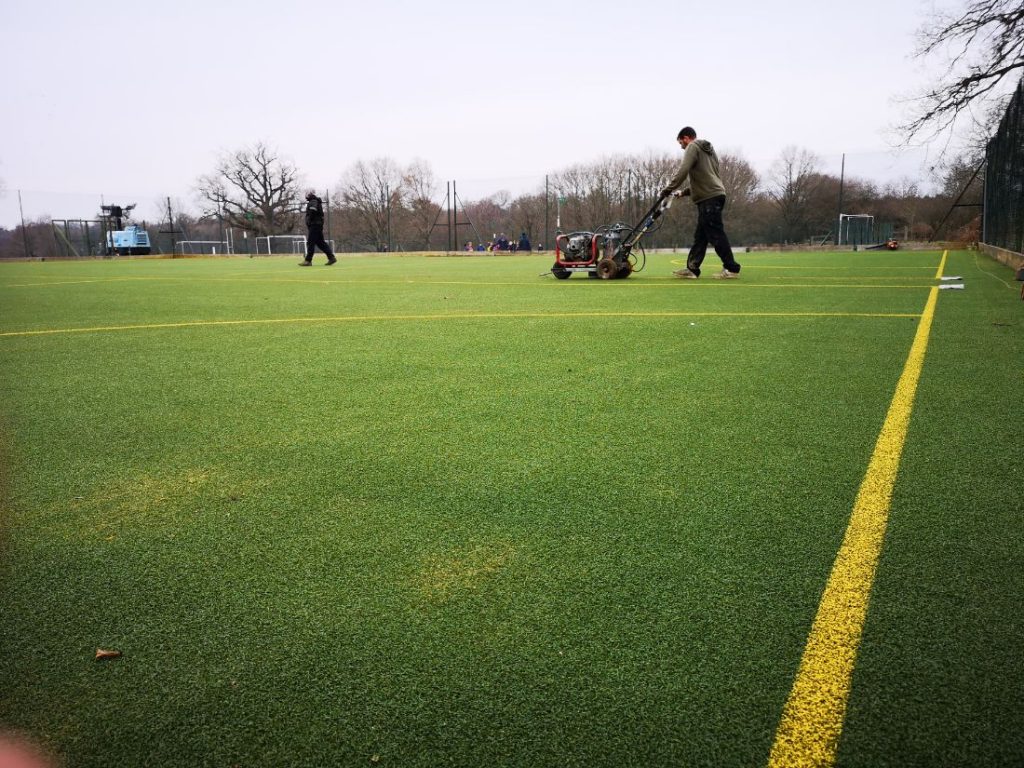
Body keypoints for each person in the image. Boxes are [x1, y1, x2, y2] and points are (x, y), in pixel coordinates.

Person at [661, 127, 741, 279]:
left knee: (715, 233)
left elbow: (683, 170)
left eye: (680, 143)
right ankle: (692, 269)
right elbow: (707, 178)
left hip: (708, 198)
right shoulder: (709, 152)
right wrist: (683, 192)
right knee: (701, 236)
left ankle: (732, 268)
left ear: (686, 138)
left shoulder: (692, 147)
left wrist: (668, 189)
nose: (681, 147)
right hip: (715, 194)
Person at [299, 190, 336, 266]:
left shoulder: (313, 202)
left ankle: (308, 260)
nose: (306, 197)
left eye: (307, 195)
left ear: (309, 196)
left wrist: (309, 220)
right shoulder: (315, 201)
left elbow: (313, 211)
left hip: (314, 225)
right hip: (317, 225)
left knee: (310, 242)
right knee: (320, 243)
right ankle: (331, 258)